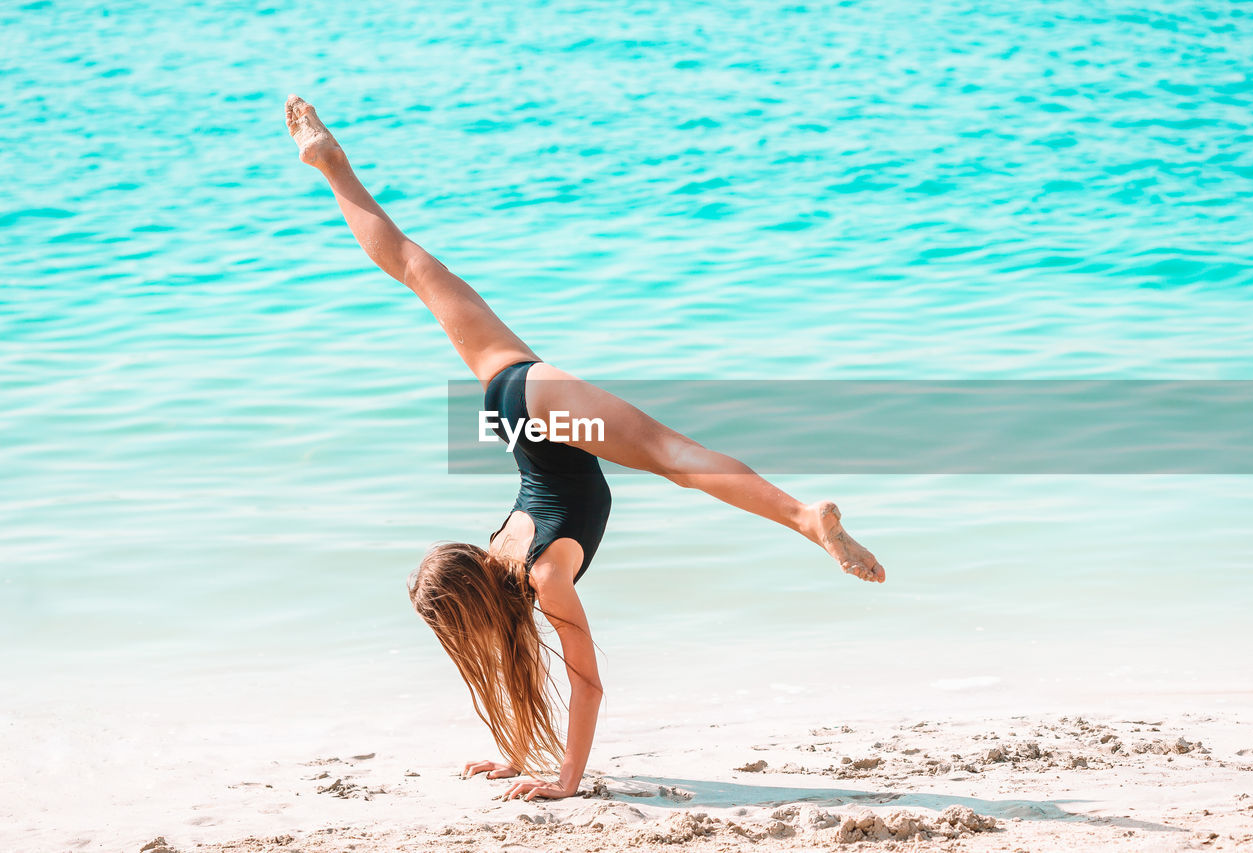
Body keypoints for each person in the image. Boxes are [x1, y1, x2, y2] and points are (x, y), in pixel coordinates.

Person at [284, 95, 886, 803]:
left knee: (672, 454)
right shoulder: (504, 552)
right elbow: (523, 666)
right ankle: (332, 165)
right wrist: (512, 753)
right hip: (513, 405)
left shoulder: (544, 580)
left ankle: (804, 517)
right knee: (419, 273)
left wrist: (566, 782)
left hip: (544, 412)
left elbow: (588, 681)